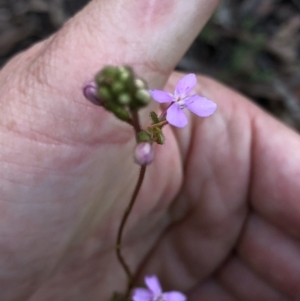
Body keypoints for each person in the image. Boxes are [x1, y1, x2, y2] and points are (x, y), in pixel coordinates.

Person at [0, 0, 298, 300]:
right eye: (178, 98)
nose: (181, 98)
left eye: (182, 98)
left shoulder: (166, 112)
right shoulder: (157, 105)